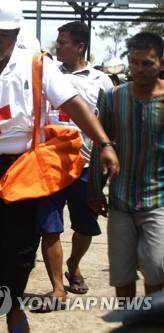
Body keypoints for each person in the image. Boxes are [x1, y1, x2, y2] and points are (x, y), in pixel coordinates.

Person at [0, 0, 120, 332]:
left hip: (23, 172)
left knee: (18, 254)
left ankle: (11, 309)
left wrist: (105, 143)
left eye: (4, 35)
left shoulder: (36, 65)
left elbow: (74, 103)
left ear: (16, 33)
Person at [34, 21, 114, 309]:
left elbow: (108, 125)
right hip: (50, 165)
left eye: (64, 42)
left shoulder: (101, 82)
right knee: (49, 227)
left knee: (85, 227)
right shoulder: (45, 74)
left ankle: (73, 263)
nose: (58, 46)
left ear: (80, 46)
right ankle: (57, 287)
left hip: (85, 167)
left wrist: (107, 157)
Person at [88, 32, 164, 300]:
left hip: (158, 201)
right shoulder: (112, 97)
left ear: (161, 63)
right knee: (122, 275)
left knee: (156, 270)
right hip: (120, 202)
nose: (139, 69)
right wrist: (95, 192)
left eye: (147, 63)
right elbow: (101, 145)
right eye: (134, 62)